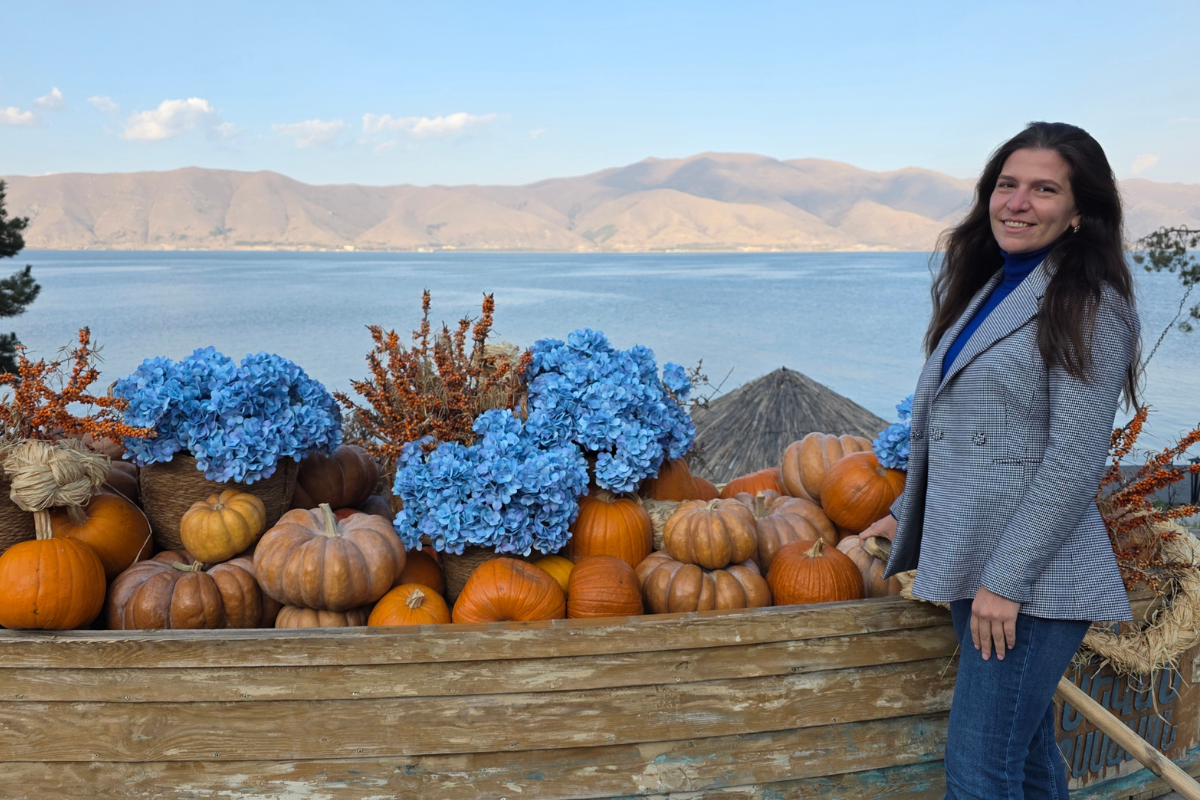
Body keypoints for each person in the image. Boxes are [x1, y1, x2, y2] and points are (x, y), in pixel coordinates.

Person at [858, 121, 1141, 800]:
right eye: (1007, 185)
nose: (1017, 203)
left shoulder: (1090, 306)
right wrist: (900, 515)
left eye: (1044, 190)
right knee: (1029, 763)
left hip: (1033, 578)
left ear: (1079, 212)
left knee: (979, 774)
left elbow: (1073, 460)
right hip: (973, 555)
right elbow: (960, 434)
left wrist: (1006, 583)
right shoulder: (991, 290)